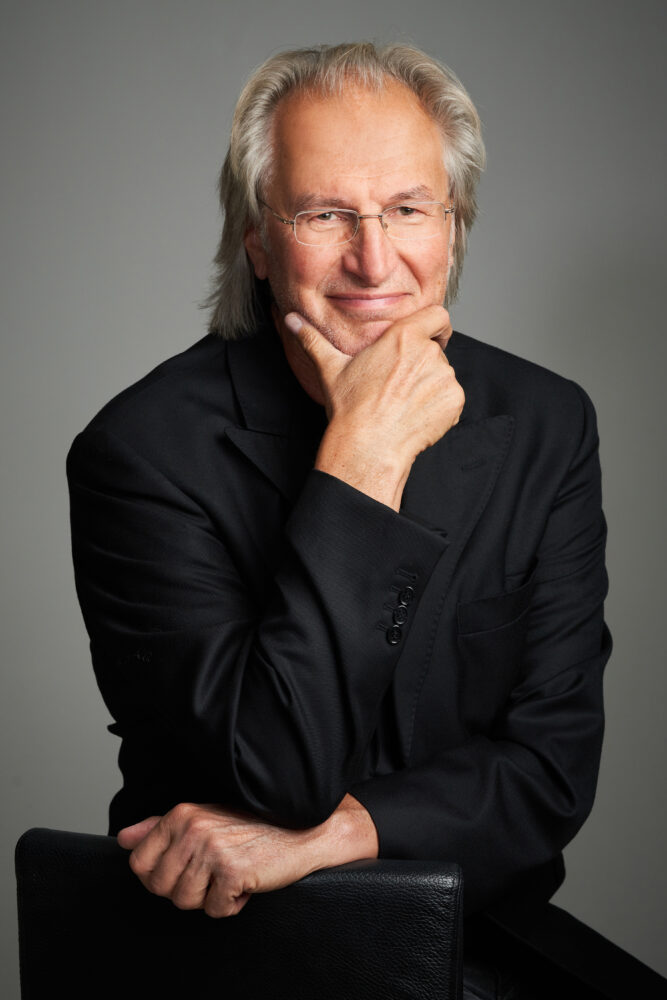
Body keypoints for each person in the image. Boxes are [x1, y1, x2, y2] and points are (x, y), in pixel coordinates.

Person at [67, 42, 611, 997]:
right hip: (232, 962)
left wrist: (330, 838)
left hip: (474, 940)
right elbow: (275, 770)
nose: (373, 259)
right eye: (324, 214)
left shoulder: (546, 422)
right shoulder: (140, 453)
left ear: (453, 227)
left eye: (408, 209)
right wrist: (364, 455)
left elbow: (550, 771)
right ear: (256, 240)